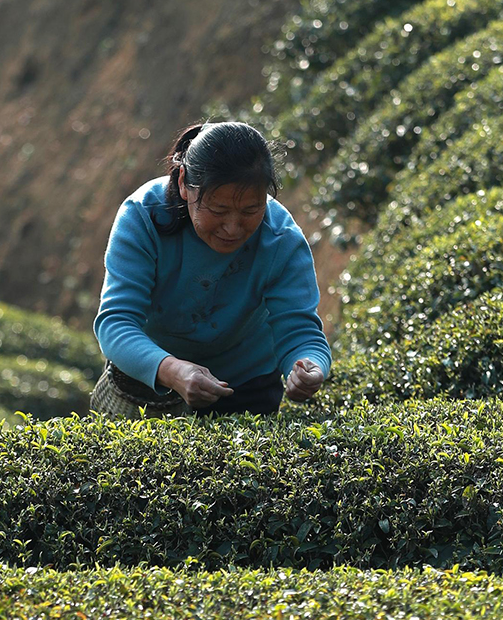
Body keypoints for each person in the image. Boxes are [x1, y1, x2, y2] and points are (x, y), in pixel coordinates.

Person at [90, 119, 332, 419]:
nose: (232, 228)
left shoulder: (281, 239)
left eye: (250, 210)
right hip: (152, 378)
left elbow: (300, 329)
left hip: (245, 385)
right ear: (183, 184)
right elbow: (116, 322)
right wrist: (172, 370)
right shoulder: (143, 218)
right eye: (217, 210)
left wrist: (309, 365)